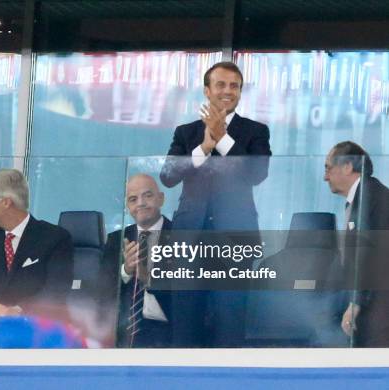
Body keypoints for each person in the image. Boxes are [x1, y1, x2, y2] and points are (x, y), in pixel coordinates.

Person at [159, 62, 272, 347]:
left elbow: (256, 174)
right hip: (189, 239)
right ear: (207, 91)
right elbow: (168, 176)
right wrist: (204, 148)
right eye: (221, 85)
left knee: (229, 322)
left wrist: (222, 140)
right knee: (185, 323)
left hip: (234, 239)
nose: (228, 91)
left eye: (234, 86)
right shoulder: (186, 133)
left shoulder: (255, 131)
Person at [0, 169, 74, 331]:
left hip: (35, 330)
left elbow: (55, 291)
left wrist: (17, 310)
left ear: (6, 202)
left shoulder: (55, 237)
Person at [323, 141, 389, 347]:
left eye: (328, 168)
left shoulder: (373, 197)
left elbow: (375, 256)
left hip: (378, 309)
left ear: (347, 167)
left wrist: (356, 302)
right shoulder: (362, 197)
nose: (325, 177)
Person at [101, 174, 172, 347]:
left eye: (147, 196)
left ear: (161, 199)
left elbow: (191, 300)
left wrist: (147, 279)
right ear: (127, 206)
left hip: (168, 337)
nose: (140, 203)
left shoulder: (184, 237)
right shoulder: (117, 240)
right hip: (122, 338)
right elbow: (100, 292)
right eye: (133, 199)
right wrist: (126, 270)